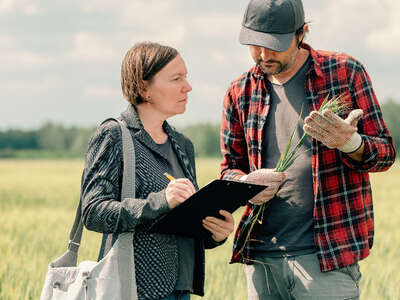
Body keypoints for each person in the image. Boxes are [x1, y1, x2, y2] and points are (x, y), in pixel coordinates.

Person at [220, 0, 396, 299]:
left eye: (274, 44)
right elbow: (229, 169)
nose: (263, 55)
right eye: (255, 44)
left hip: (327, 258)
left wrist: (350, 144)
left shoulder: (344, 73)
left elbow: (385, 154)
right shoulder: (240, 91)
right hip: (261, 258)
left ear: (302, 33)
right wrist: (245, 184)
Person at [80, 42, 235, 300]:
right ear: (144, 88)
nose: (188, 86)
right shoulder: (113, 135)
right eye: (176, 79)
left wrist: (213, 233)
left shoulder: (183, 145)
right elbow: (93, 211)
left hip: (180, 289)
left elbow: (181, 221)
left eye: (186, 77)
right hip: (133, 289)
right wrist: (160, 200)